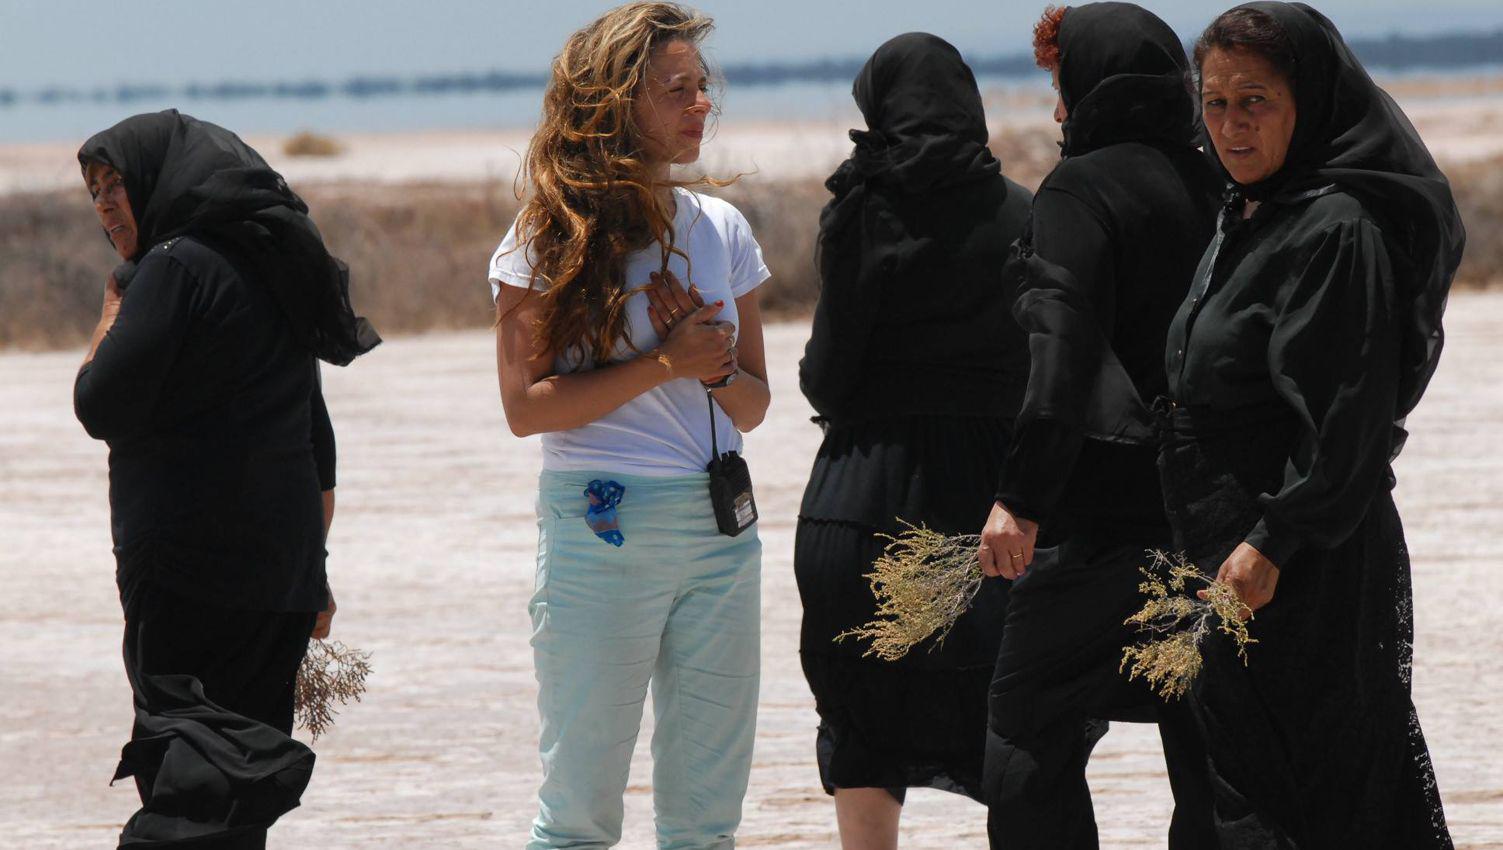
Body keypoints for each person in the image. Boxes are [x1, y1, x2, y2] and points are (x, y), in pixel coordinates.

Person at [1158, 3, 1464, 846]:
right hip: (1233, 548)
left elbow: (1345, 417)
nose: (1229, 124)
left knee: (1328, 788)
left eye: (1252, 100)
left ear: (1310, 102)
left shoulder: (1334, 229)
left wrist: (1273, 540)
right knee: (1250, 782)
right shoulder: (1249, 212)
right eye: (1213, 102)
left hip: (1303, 560)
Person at [487, 4, 772, 847]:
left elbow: (753, 405)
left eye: (702, 88)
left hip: (722, 533)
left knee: (706, 819)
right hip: (601, 523)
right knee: (578, 812)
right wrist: (663, 363)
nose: (700, 106)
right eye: (676, 89)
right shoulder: (546, 236)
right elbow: (522, 409)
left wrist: (711, 365)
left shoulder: (721, 229)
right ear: (616, 103)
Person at [73, 109, 378, 849]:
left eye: (118, 184)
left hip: (188, 580)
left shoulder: (174, 266)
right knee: (234, 786)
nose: (107, 204)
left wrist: (111, 311)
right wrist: (316, 571)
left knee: (192, 783)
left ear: (160, 182)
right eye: (95, 191)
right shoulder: (265, 263)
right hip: (277, 582)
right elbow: (316, 442)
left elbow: (98, 404)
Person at [975, 4, 1224, 848]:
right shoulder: (1222, 182)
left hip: (1100, 525)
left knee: (1025, 728)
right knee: (1207, 751)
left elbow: (1062, 356)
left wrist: (1019, 495)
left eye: (1061, 89)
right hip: (1214, 521)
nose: (1056, 113)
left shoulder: (1080, 190)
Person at [793, 32, 1032, 850]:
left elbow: (826, 378)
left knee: (861, 707)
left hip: (864, 487)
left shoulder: (864, 210)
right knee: (1007, 709)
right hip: (992, 500)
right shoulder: (1024, 214)